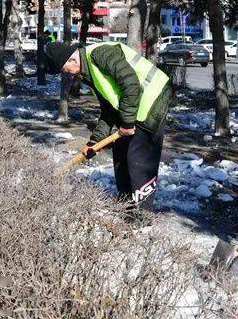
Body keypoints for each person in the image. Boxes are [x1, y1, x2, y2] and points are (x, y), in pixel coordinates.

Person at [46, 41, 171, 215]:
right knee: (120, 153)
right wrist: (95, 142)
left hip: (152, 102)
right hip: (134, 106)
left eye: (63, 69)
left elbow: (131, 84)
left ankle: (142, 216)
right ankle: (126, 207)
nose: (65, 73)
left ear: (71, 60)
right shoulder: (89, 70)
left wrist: (127, 123)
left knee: (137, 159)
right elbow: (109, 108)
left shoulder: (100, 54)